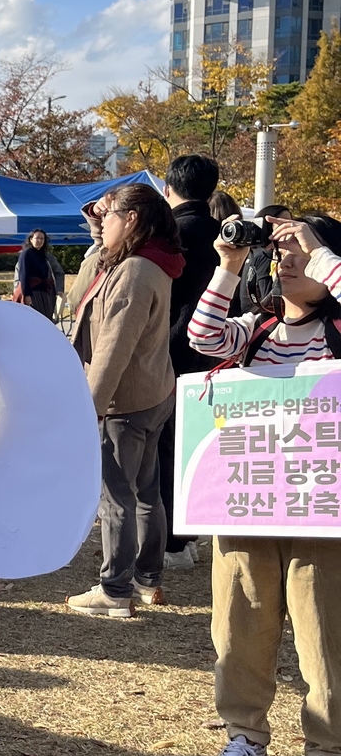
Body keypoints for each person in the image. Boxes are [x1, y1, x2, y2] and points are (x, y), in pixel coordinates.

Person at [188, 212, 341, 756]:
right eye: (281, 253)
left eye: (300, 252)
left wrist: (317, 247)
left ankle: (329, 754)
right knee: (239, 622)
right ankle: (245, 738)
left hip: (322, 513)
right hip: (247, 503)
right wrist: (228, 261)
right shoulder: (257, 330)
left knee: (325, 630)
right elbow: (201, 338)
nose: (289, 260)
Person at [66, 183, 184, 617]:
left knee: (117, 496)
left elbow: (114, 347)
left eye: (110, 215)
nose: (103, 222)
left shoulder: (134, 270)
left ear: (131, 220)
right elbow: (81, 295)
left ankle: (115, 589)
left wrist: (89, 408)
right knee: (146, 491)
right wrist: (99, 228)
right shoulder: (149, 261)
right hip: (152, 392)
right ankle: (147, 580)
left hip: (124, 401)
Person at [159, 155, 221, 572]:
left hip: (171, 352)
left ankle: (173, 543)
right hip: (218, 354)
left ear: (169, 189)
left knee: (168, 448)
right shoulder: (225, 234)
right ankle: (192, 534)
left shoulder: (169, 234)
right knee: (201, 447)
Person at [16, 228, 58, 319]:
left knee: (46, 317)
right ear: (31, 239)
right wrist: (27, 295)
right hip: (33, 293)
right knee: (36, 318)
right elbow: (23, 276)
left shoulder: (43, 255)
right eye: (37, 238)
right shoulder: (26, 253)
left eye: (42, 239)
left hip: (44, 292)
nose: (39, 241)